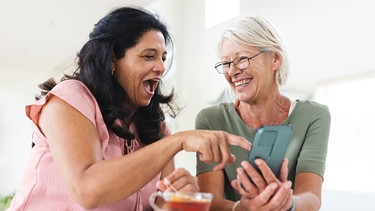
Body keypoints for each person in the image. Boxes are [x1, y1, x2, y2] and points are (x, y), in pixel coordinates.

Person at [7, 6, 251, 211]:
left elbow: (160, 202)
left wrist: (175, 199)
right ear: (112, 59)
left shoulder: (154, 127)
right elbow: (87, 190)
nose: (160, 67)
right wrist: (178, 141)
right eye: (148, 56)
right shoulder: (69, 99)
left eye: (163, 58)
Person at [195, 16, 331, 211]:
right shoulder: (210, 119)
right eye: (226, 63)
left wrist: (286, 203)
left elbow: (310, 197)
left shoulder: (314, 115)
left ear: (275, 59)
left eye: (242, 59)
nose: (232, 71)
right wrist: (240, 208)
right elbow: (209, 202)